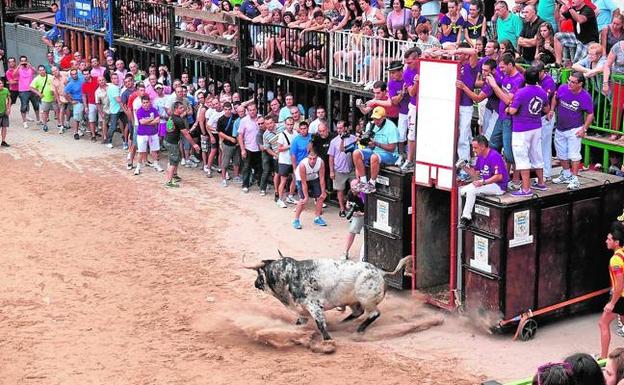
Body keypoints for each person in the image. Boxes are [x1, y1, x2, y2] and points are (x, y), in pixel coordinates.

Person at [507, 67, 549, 196]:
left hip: (521, 129)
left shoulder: (521, 92)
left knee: (521, 157)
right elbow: (546, 109)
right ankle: (541, 183)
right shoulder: (542, 91)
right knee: (536, 154)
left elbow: (513, 110)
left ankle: (526, 189)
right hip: (536, 127)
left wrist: (508, 109)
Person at [549, 72, 594, 190]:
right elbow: (555, 97)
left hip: (575, 129)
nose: (569, 83)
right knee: (561, 153)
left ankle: (575, 179)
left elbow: (590, 114)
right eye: (569, 80)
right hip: (560, 128)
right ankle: (566, 174)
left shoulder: (585, 96)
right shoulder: (563, 88)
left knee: (574, 155)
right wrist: (552, 110)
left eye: (573, 82)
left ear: (580, 84)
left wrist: (584, 129)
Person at [459, 135, 508, 226]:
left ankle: (466, 217)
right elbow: (475, 175)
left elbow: (499, 177)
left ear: (482, 146)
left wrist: (482, 182)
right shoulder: (480, 156)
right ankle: (467, 213)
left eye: (475, 148)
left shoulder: (494, 156)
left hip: (498, 186)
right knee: (462, 191)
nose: (473, 150)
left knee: (472, 191)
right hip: (486, 183)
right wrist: (463, 167)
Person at [353, 107, 400, 194]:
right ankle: (363, 181)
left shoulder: (391, 127)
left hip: (390, 154)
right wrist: (366, 142)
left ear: (384, 117)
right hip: (375, 150)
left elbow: (392, 148)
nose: (376, 121)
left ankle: (372, 183)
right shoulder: (370, 125)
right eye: (374, 118)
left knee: (374, 157)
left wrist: (376, 144)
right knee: (356, 153)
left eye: (378, 119)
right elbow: (369, 145)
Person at [599, 222, 624, 360]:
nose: (606, 241)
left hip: (620, 297)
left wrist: (612, 303)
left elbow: (619, 286)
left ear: (616, 242)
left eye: (609, 239)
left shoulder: (615, 260)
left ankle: (603, 358)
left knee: (603, 323)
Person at [163, 101, 200, 188]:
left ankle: (174, 175)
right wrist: (194, 144)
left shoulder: (172, 117)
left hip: (168, 140)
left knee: (174, 159)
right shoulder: (179, 120)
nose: (183, 109)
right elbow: (186, 134)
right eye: (181, 108)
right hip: (172, 143)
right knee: (173, 161)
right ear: (176, 109)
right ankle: (169, 181)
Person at [554, 0, 599, 65]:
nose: (572, 0)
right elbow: (559, 19)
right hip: (578, 38)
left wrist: (569, 7)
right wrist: (557, 6)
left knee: (576, 65)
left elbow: (580, 20)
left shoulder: (588, 10)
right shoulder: (573, 9)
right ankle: (558, 63)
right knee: (558, 36)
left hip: (589, 42)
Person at [292, 147, 328, 229]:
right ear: (307, 157)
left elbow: (322, 178)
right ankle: (296, 220)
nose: (312, 161)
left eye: (314, 158)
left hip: (313, 177)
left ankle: (317, 217)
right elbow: (304, 183)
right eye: (310, 158)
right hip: (302, 179)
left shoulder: (321, 162)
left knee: (320, 197)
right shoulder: (302, 165)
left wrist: (323, 192)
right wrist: (306, 196)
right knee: (303, 200)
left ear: (317, 157)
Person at [329, 120, 357, 217]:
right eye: (338, 128)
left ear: (345, 128)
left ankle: (353, 207)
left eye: (341, 128)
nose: (339, 130)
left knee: (355, 189)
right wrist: (332, 171)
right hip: (339, 169)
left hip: (351, 169)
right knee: (340, 190)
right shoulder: (334, 141)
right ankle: (342, 208)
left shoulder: (353, 138)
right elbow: (331, 157)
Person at [135, 96, 163, 176]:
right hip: (142, 134)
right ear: (142, 103)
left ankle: (156, 165)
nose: (145, 104)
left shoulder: (153, 109)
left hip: (153, 133)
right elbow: (142, 122)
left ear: (149, 102)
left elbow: (157, 120)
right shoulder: (139, 111)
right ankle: (138, 167)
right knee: (141, 152)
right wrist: (151, 119)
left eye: (147, 102)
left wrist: (148, 121)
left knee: (154, 150)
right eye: (143, 103)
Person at [238, 103, 262, 193]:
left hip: (259, 148)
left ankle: (261, 184)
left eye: (254, 109)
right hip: (248, 147)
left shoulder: (260, 118)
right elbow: (240, 136)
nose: (252, 111)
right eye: (250, 110)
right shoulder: (244, 120)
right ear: (247, 111)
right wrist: (242, 149)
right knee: (246, 167)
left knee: (260, 167)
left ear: (257, 110)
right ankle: (245, 184)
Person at [276, 117, 298, 208]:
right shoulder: (282, 135)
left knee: (295, 178)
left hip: (293, 160)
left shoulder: (296, 133)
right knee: (283, 180)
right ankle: (280, 199)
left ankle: (290, 196)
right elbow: (279, 148)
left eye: (291, 124)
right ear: (285, 125)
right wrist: (289, 146)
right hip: (284, 161)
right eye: (288, 124)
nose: (290, 126)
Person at [217, 102, 238, 187]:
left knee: (237, 161)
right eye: (226, 109)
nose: (228, 111)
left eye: (229, 109)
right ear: (223, 109)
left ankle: (236, 176)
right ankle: (223, 179)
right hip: (227, 143)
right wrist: (229, 138)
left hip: (236, 143)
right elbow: (219, 133)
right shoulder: (221, 119)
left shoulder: (235, 117)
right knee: (225, 162)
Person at [343, 179, 365, 260]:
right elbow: (347, 205)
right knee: (352, 231)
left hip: (367, 215)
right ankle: (346, 252)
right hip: (358, 215)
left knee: (367, 235)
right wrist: (348, 207)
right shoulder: (350, 193)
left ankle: (364, 255)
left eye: (354, 188)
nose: (353, 190)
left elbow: (373, 210)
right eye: (351, 188)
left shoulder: (365, 194)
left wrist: (362, 214)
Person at [14, 56, 39, 128]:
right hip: (23, 90)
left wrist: (30, 66)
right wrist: (19, 66)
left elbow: (37, 72)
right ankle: (24, 122)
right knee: (24, 106)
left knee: (36, 105)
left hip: (32, 89)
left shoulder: (30, 68)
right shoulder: (19, 69)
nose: (23, 62)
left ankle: (38, 120)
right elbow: (14, 75)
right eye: (22, 61)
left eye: (25, 61)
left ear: (27, 61)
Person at [29, 65, 54, 133]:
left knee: (57, 111)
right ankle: (45, 125)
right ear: (38, 71)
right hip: (44, 98)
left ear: (45, 70)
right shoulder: (37, 79)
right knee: (44, 111)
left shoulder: (50, 76)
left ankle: (60, 125)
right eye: (40, 70)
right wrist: (38, 93)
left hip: (54, 97)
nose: (42, 71)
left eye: (43, 70)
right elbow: (31, 87)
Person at [63, 68, 84, 140]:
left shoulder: (82, 79)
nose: (74, 75)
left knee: (86, 116)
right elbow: (65, 93)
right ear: (71, 75)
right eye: (73, 74)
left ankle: (87, 130)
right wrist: (71, 101)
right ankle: (75, 132)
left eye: (75, 74)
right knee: (77, 117)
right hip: (77, 101)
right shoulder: (70, 84)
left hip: (85, 100)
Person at [0, 79, 11, 147]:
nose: (1, 84)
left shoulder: (6, 90)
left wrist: (8, 108)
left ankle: (3, 141)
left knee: (4, 127)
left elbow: (9, 98)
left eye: (1, 83)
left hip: (4, 111)